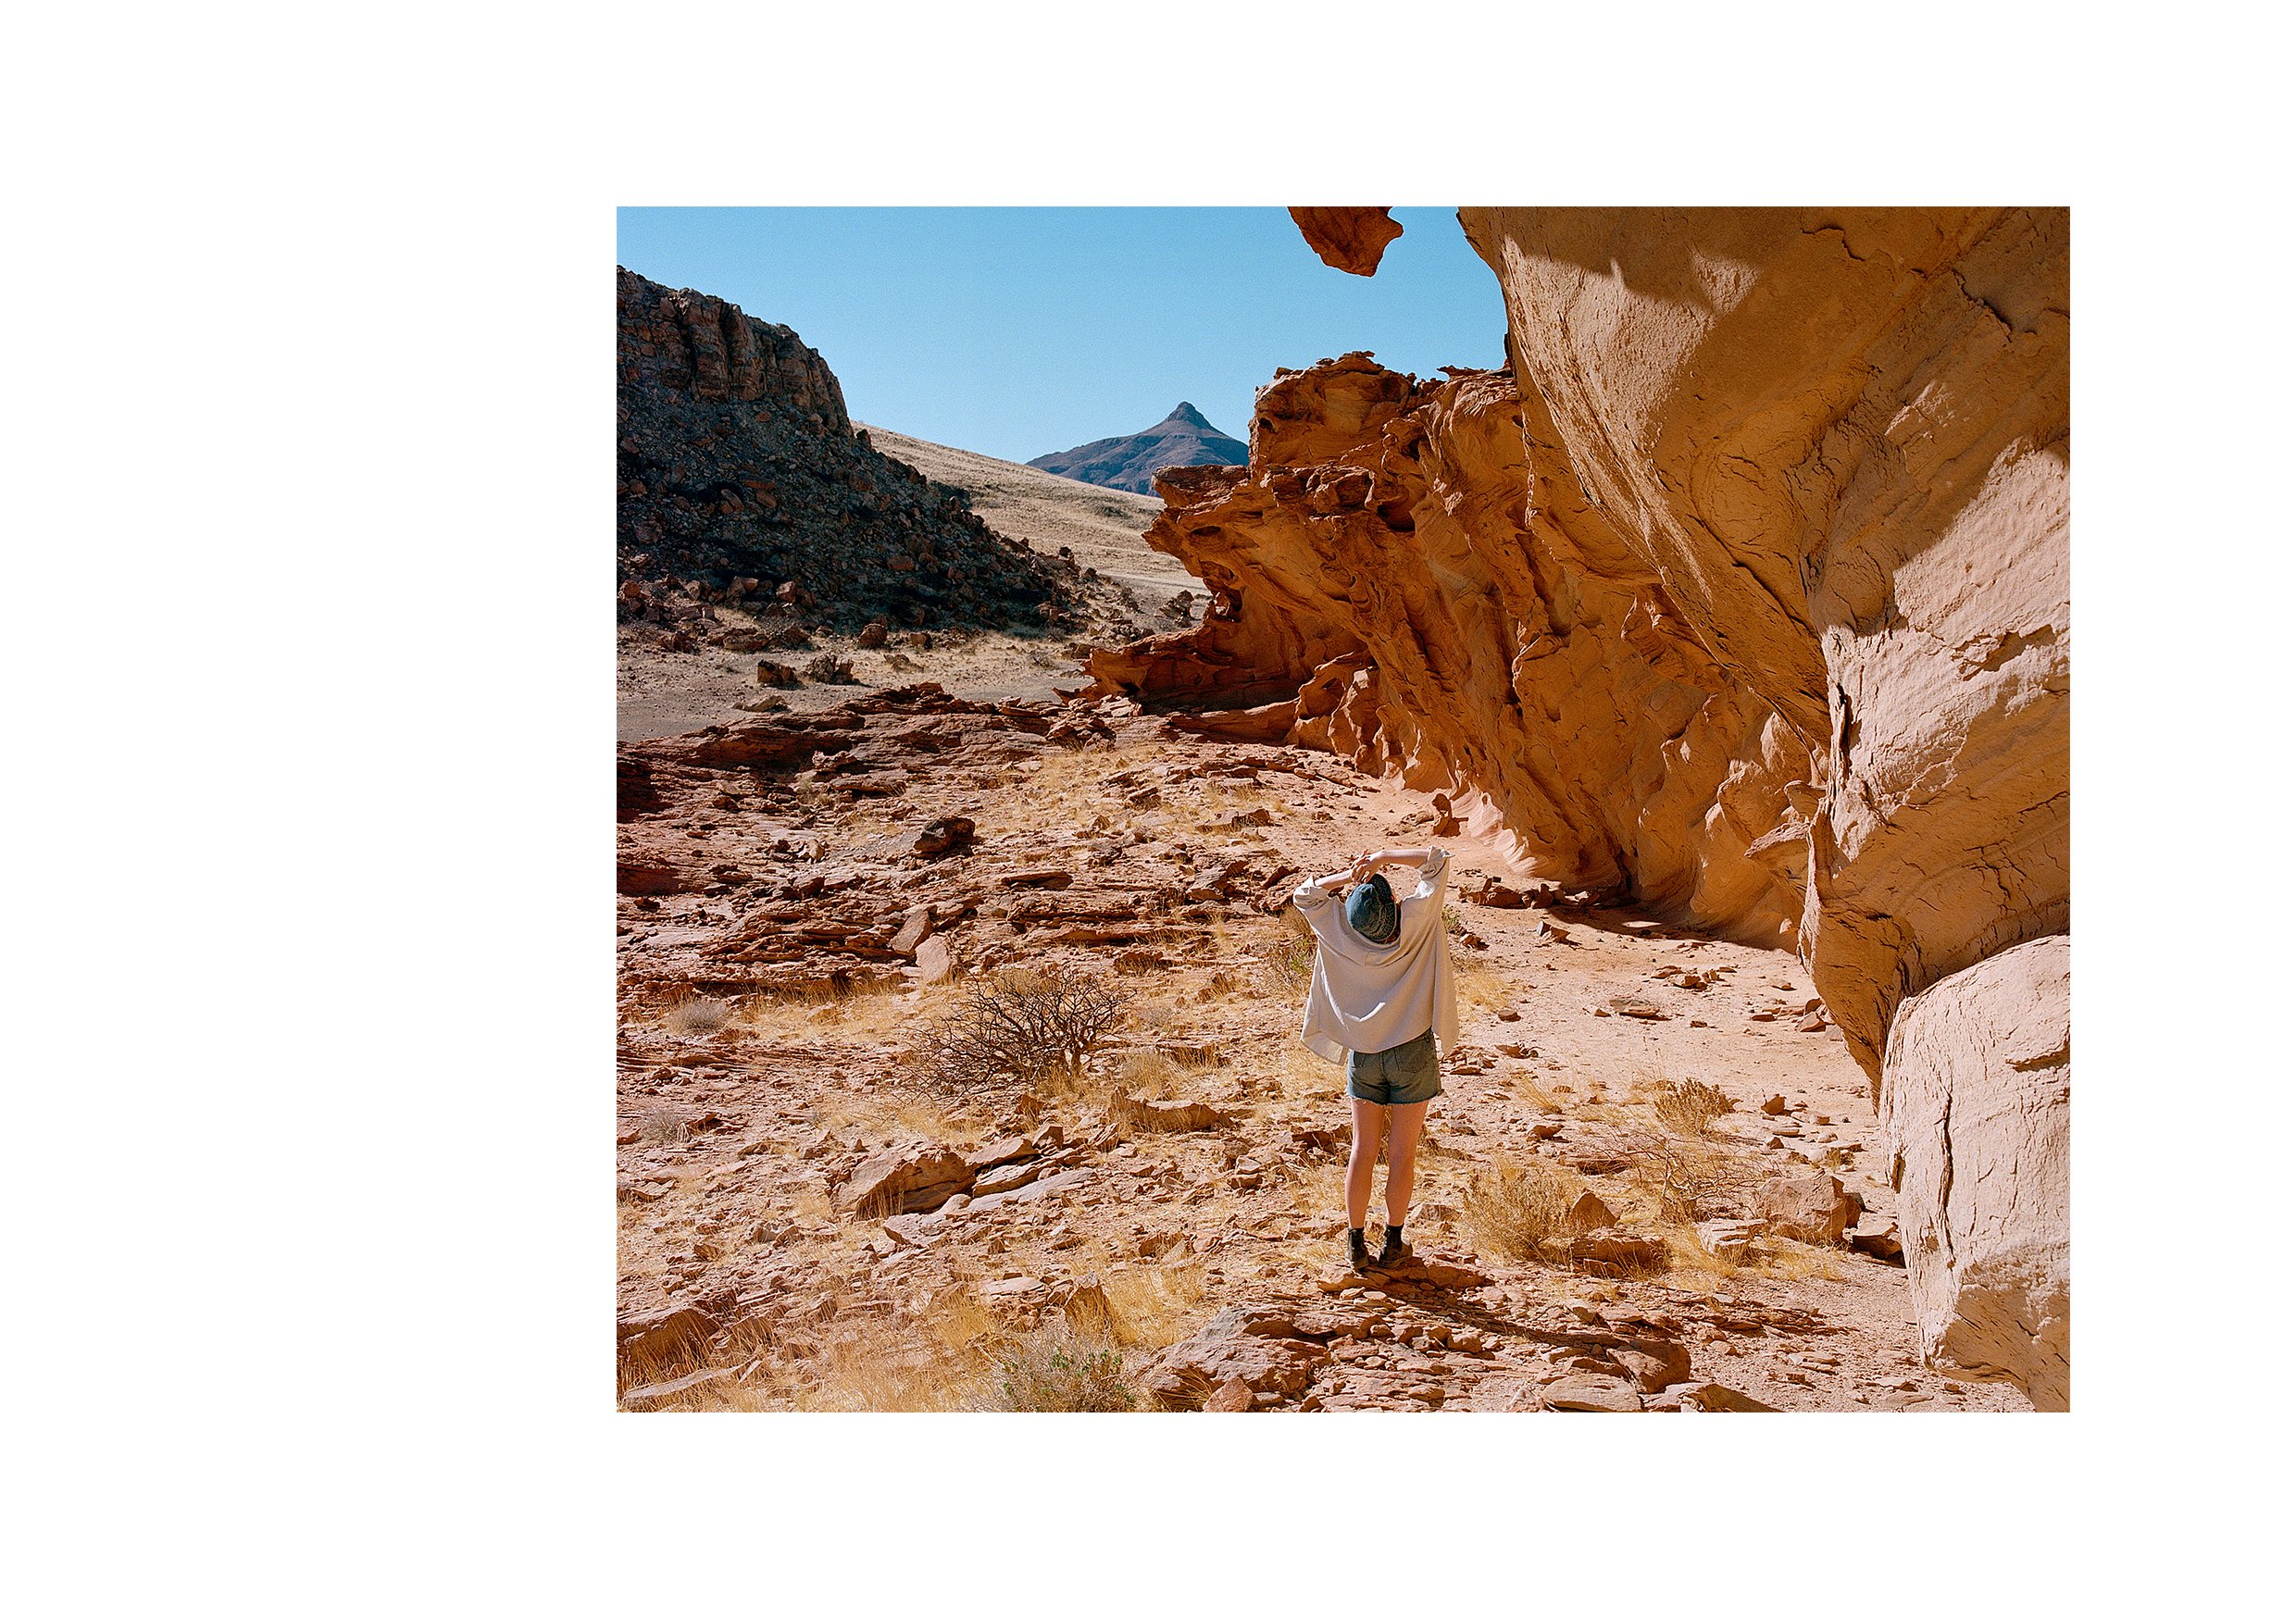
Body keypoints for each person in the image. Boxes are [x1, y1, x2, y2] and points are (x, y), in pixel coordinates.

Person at [1292, 845, 1457, 1272]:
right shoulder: (1416, 922)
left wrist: (1348, 877)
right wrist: (1382, 857)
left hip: (1364, 1054)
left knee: (1363, 1150)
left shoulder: (1339, 933)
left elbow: (1304, 895)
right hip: (1412, 1052)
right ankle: (1395, 1243)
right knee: (1403, 1153)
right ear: (1393, 904)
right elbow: (1436, 860)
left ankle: (1355, 1244)